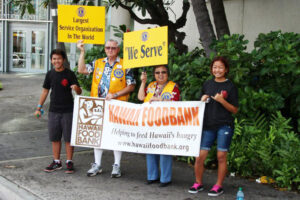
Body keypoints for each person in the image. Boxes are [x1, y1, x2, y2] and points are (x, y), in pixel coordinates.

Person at [77, 39, 136, 178]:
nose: (110, 50)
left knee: (117, 133)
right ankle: (97, 164)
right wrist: (82, 52)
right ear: (104, 49)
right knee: (97, 133)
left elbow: (131, 85)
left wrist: (115, 94)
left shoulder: (125, 64)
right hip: (98, 104)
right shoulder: (98, 63)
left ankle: (117, 165)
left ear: (118, 49)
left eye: (113, 48)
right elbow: (82, 70)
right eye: (108, 48)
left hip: (117, 105)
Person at [188, 56, 238, 196]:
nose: (217, 70)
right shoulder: (207, 84)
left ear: (226, 69)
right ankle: (198, 183)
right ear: (211, 69)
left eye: (221, 67)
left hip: (224, 125)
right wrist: (202, 100)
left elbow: (234, 110)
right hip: (208, 125)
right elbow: (200, 104)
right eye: (215, 67)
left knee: (221, 156)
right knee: (200, 157)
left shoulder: (230, 86)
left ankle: (218, 186)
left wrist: (222, 101)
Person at [35, 49, 82, 174]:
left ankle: (69, 162)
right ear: (51, 60)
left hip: (68, 110)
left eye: (59, 58)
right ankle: (57, 161)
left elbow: (79, 91)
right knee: (55, 137)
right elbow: (45, 91)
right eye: (54, 59)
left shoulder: (70, 74)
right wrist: (39, 107)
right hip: (53, 111)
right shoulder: (50, 74)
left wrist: (76, 88)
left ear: (64, 60)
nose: (56, 61)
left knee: (68, 138)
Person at [138, 65, 180, 187]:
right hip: (151, 123)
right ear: (154, 74)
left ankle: (165, 179)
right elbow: (141, 97)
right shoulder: (151, 86)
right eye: (157, 72)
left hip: (166, 123)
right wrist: (143, 82)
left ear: (168, 74)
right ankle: (152, 176)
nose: (160, 74)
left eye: (163, 72)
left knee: (164, 150)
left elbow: (176, 102)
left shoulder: (173, 86)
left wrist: (160, 100)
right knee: (150, 149)